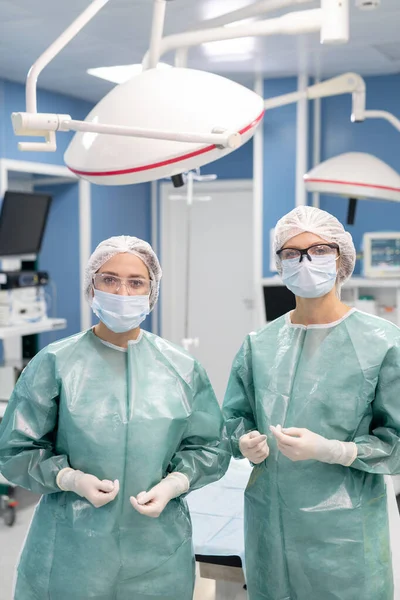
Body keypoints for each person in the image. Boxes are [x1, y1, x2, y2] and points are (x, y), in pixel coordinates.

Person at [0, 235, 230, 600]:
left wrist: (174, 483)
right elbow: (16, 449)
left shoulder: (182, 369)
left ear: (152, 291)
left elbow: (210, 449)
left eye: (135, 282)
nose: (122, 292)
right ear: (92, 286)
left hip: (157, 552)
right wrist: (70, 478)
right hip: (71, 551)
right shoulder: (55, 363)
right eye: (109, 279)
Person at [222, 206, 400, 600]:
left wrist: (334, 449)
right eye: (292, 253)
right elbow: (232, 420)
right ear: (279, 263)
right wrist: (244, 442)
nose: (305, 262)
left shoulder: (384, 342)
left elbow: (397, 442)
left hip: (346, 535)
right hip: (270, 524)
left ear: (341, 260)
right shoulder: (259, 345)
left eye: (319, 250)